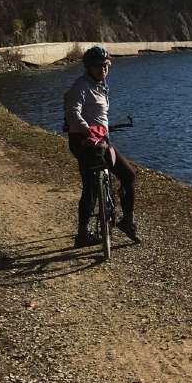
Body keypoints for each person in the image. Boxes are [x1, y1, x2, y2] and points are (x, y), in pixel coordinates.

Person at [63, 45, 139, 247]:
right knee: (90, 188)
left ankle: (127, 221)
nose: (103, 69)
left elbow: (98, 114)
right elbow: (72, 112)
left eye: (106, 65)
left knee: (128, 175)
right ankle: (82, 234)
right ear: (88, 67)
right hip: (85, 143)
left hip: (102, 141)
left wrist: (102, 129)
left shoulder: (101, 86)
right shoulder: (81, 87)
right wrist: (87, 129)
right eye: (97, 66)